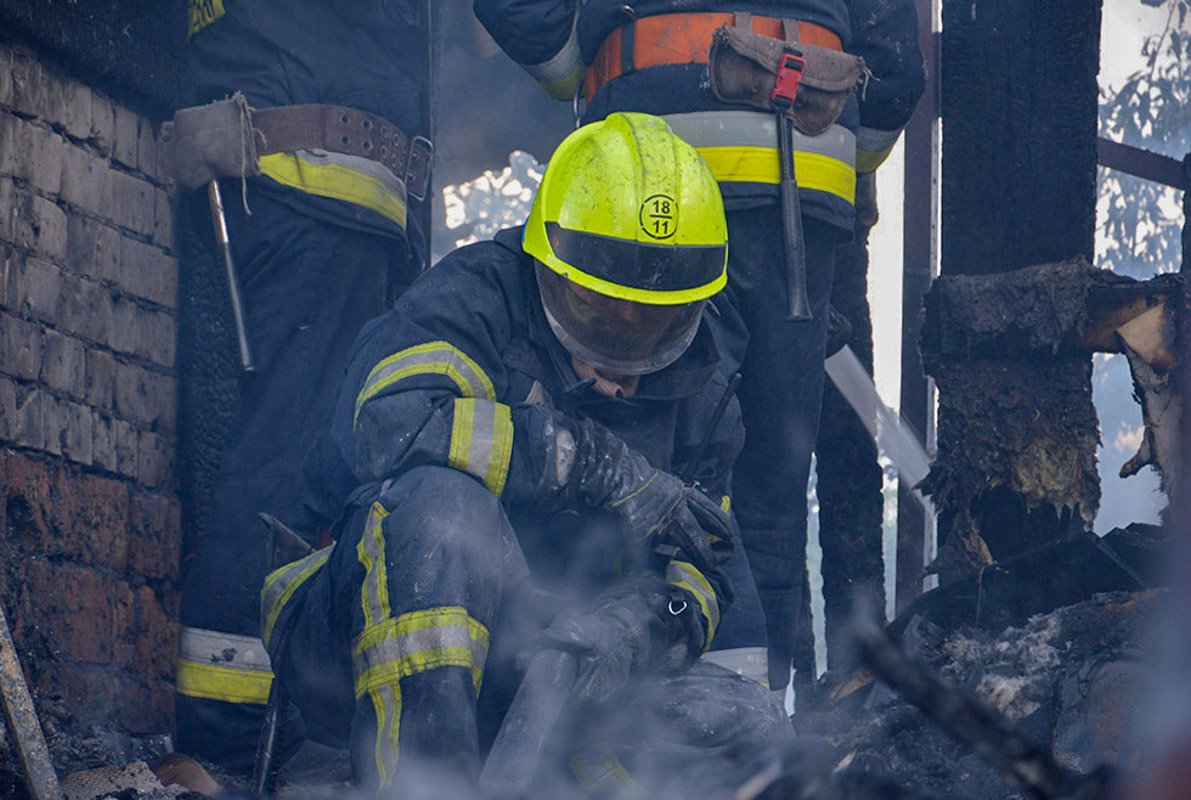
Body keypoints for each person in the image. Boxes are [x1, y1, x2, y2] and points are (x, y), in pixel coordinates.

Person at [263, 113, 791, 794]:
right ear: (548, 261)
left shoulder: (704, 384)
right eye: (600, 313)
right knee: (443, 513)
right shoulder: (474, 301)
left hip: (552, 665)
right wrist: (593, 464)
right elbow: (386, 430)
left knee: (745, 721)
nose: (621, 358)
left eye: (654, 321)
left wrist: (637, 626)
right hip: (358, 644)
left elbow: (703, 565)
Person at [473, 0, 925, 691]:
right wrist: (831, 138)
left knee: (638, 464)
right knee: (772, 492)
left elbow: (523, 13)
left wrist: (573, 68)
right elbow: (895, 73)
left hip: (648, 181)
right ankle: (754, 726)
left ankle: (613, 721)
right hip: (802, 191)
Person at [174, 0, 432, 773]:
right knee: (278, 473)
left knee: (279, 465)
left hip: (299, 187)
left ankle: (245, 748)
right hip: (308, 186)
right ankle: (221, 754)